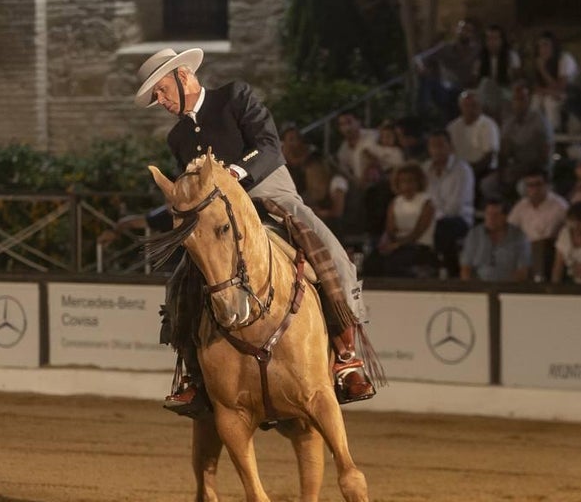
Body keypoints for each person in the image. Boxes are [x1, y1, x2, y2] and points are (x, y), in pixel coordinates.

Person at [133, 47, 375, 412]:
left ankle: (346, 358)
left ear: (183, 76)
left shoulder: (234, 96)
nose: (161, 100)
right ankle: (193, 375)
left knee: (330, 253)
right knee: (182, 281)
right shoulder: (177, 139)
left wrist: (233, 175)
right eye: (156, 97)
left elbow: (269, 148)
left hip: (269, 194)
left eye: (162, 90)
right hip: (219, 219)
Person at [365, 164, 437, 278]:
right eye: (403, 182)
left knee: (394, 264)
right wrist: (387, 244)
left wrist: (398, 245)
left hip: (419, 246)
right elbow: (390, 230)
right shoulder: (395, 202)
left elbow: (417, 232)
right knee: (371, 262)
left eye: (411, 181)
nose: (407, 185)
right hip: (397, 245)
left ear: (418, 182)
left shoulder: (426, 202)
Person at [420, 129, 475, 277]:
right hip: (430, 218)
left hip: (459, 219)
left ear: (450, 147)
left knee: (444, 226)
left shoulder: (462, 170)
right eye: (433, 146)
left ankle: (446, 269)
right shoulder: (425, 169)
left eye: (441, 145)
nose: (437, 150)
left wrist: (431, 216)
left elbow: (455, 206)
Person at [507, 170, 568, 280]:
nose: (534, 189)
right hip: (525, 250)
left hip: (549, 250)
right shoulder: (521, 206)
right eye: (530, 185)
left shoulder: (560, 206)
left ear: (547, 185)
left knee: (540, 246)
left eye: (538, 184)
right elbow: (510, 228)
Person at [416, 18, 481, 120]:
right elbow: (419, 58)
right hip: (445, 89)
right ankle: (422, 116)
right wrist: (422, 68)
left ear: (472, 34)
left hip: (465, 89)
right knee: (427, 80)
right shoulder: (446, 48)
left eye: (467, 30)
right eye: (461, 29)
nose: (464, 32)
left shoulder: (477, 51)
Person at [499, 82, 553, 201]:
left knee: (521, 186)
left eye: (522, 99)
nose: (519, 103)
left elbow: (544, 155)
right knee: (489, 184)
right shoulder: (508, 121)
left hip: (537, 170)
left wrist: (523, 170)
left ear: (528, 100)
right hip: (516, 168)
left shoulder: (539, 122)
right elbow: (504, 151)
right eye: (516, 99)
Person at [458, 198, 531, 282]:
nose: (491, 218)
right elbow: (465, 267)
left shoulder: (519, 236)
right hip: (478, 287)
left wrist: (503, 288)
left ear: (505, 217)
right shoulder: (474, 235)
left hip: (508, 287)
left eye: (495, 215)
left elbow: (523, 271)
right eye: (488, 214)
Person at [446, 90, 500, 199]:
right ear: (460, 107)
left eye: (474, 105)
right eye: (466, 105)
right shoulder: (452, 127)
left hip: (483, 170)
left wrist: (469, 173)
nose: (470, 109)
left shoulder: (488, 125)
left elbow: (489, 156)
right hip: (458, 170)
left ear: (480, 106)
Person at [530, 30, 578, 132]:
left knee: (550, 102)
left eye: (546, 45)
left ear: (554, 46)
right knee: (536, 100)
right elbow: (536, 88)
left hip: (572, 94)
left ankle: (554, 133)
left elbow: (560, 88)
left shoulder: (565, 58)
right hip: (552, 93)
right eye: (540, 47)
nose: (543, 50)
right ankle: (535, 133)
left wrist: (543, 70)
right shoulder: (541, 61)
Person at [474, 24, 522, 121]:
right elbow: (476, 79)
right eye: (489, 39)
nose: (492, 42)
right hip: (487, 93)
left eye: (495, 39)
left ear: (502, 40)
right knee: (485, 84)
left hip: (505, 90)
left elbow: (517, 80)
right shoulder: (481, 58)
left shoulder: (511, 56)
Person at [551, 201, 581, 284]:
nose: (576, 225)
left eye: (580, 221)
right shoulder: (565, 234)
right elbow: (558, 266)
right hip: (569, 282)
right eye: (573, 220)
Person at [336, 111, 380, 184]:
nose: (346, 127)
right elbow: (346, 174)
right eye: (342, 125)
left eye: (349, 122)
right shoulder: (342, 151)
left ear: (358, 122)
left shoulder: (374, 135)